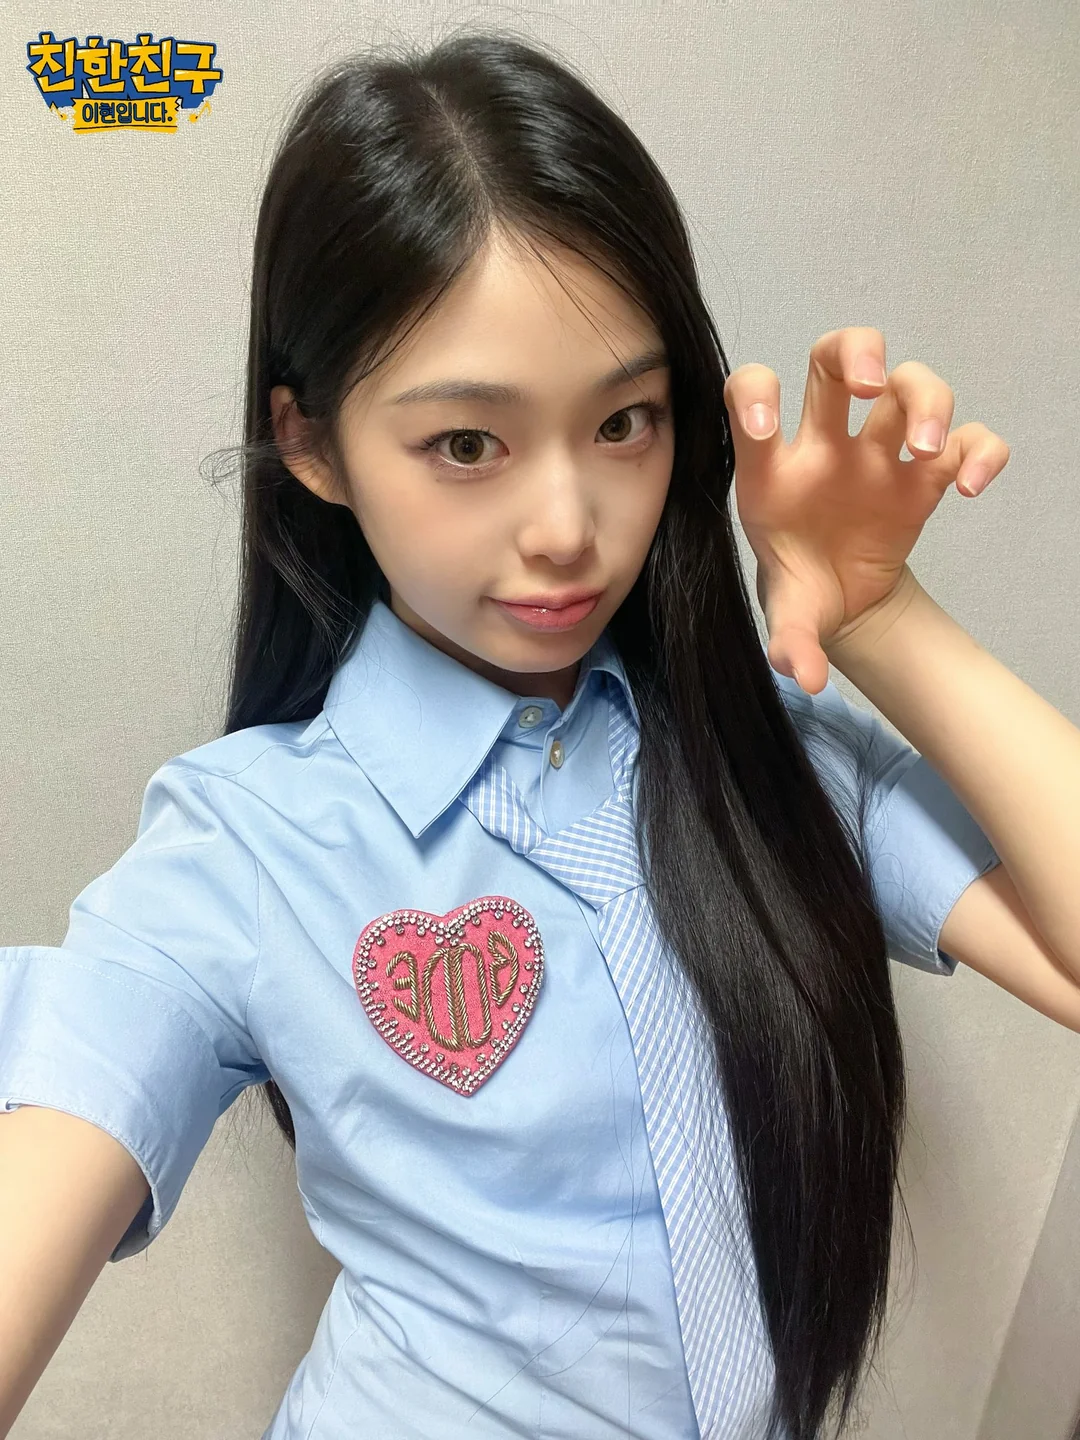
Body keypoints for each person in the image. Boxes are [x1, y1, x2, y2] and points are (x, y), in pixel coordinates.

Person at [2, 27, 1074, 1440]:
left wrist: (883, 616)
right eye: (467, 444)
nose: (570, 528)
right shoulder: (241, 848)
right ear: (311, 444)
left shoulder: (764, 755)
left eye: (625, 422)